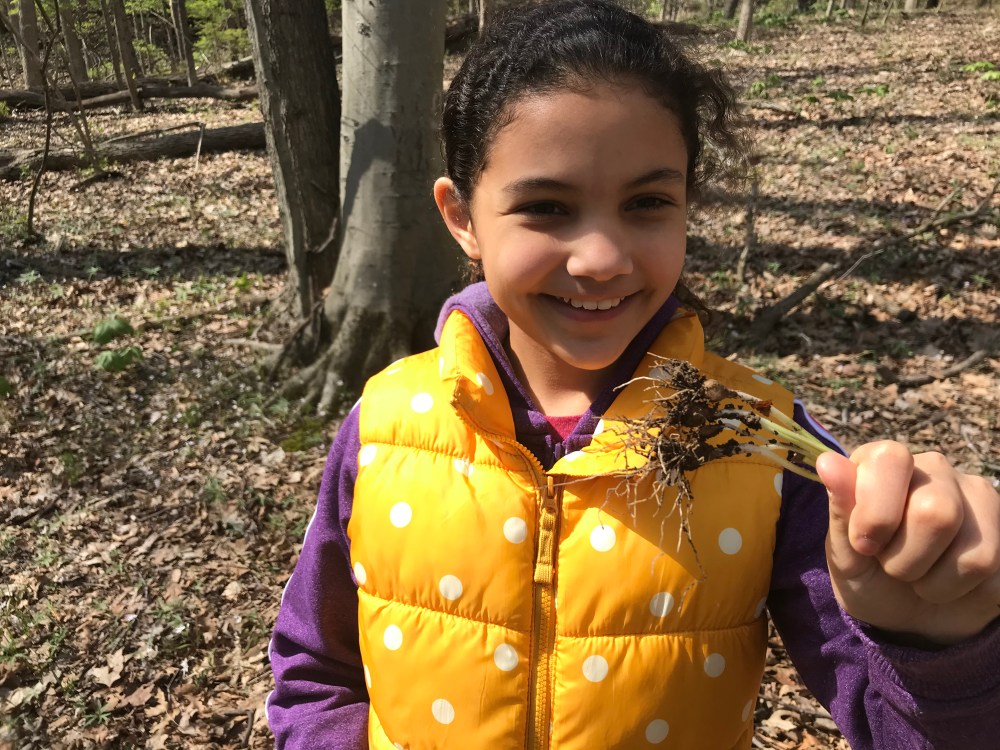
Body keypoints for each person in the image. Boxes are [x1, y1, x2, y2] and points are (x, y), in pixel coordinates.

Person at [265, 1, 1000, 748]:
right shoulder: (388, 423)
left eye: (647, 203)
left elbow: (897, 723)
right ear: (462, 218)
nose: (602, 258)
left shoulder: (758, 442)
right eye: (547, 207)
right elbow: (315, 667)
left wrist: (938, 650)